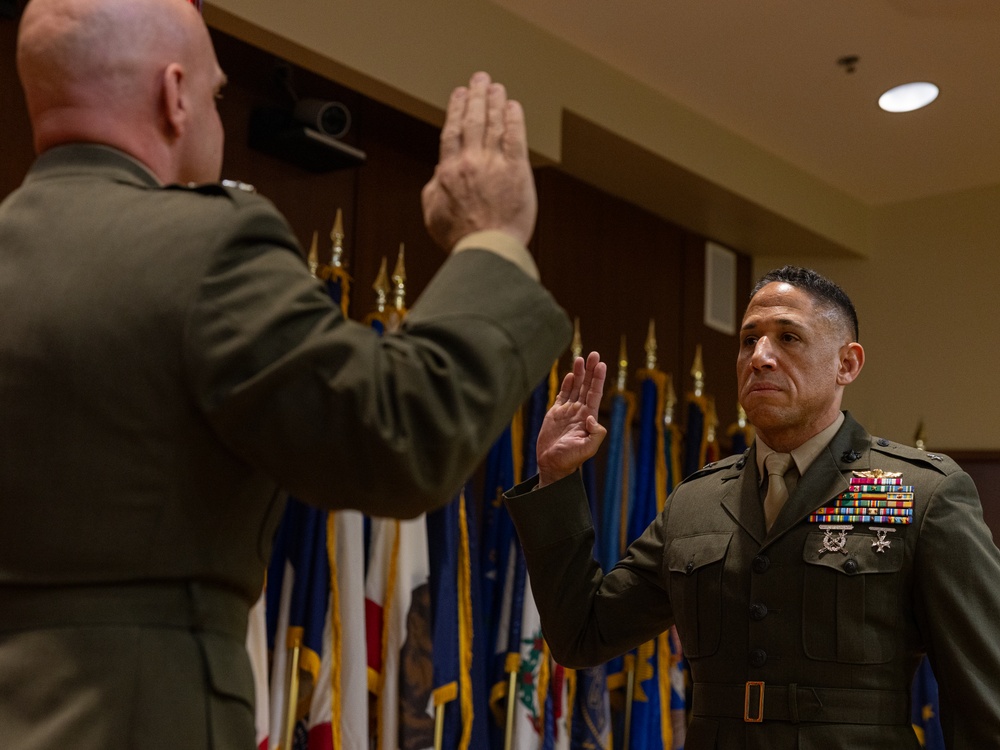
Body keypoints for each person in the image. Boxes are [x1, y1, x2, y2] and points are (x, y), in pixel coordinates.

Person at [0, 0, 571, 747]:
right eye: (213, 96)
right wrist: (491, 241)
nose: (211, 116)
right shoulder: (201, 249)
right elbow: (399, 437)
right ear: (173, 96)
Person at [506, 267, 1000, 748]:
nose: (760, 357)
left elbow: (985, 703)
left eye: (788, 338)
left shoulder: (922, 493)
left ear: (846, 364)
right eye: (748, 340)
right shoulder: (696, 502)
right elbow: (582, 634)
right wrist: (557, 478)